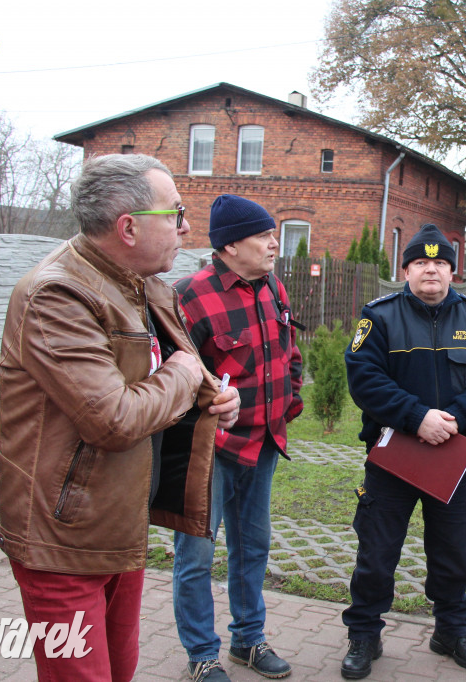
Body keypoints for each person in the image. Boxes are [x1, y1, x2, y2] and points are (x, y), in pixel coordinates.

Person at [0, 154, 241, 682]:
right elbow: (113, 419)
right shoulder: (56, 294)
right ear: (128, 227)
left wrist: (218, 398)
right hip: (61, 540)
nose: (187, 226)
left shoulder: (148, 285)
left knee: (120, 669)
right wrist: (184, 374)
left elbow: (186, 378)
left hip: (119, 522)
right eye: (175, 213)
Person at [339, 223, 466, 680]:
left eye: (439, 263)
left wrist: (453, 418)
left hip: (452, 460)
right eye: (421, 262)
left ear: (452, 272)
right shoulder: (378, 317)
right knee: (376, 552)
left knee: (455, 549)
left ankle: (452, 631)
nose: (430, 270)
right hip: (393, 458)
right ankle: (364, 633)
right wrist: (417, 417)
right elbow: (364, 378)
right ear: (407, 270)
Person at [172, 195, 304, 682]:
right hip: (208, 452)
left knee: (253, 547)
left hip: (263, 445)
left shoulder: (273, 288)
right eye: (264, 235)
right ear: (230, 245)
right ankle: (202, 654)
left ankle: (248, 641)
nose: (274, 243)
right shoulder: (189, 296)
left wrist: (288, 399)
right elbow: (170, 377)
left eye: (273, 234)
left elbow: (289, 352)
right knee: (197, 555)